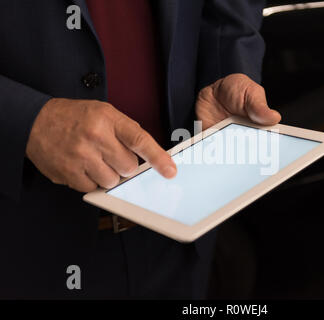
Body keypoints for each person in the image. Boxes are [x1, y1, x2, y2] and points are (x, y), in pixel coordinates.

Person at [0, 0, 280, 298]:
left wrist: (227, 68)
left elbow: (232, 12)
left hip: (180, 231)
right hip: (23, 242)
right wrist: (28, 120)